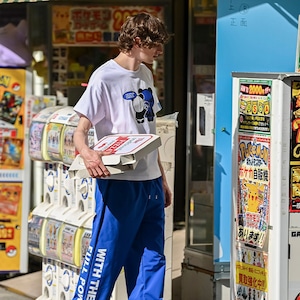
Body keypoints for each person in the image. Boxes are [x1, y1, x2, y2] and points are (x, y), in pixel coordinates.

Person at [72, 12, 172, 300]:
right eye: (155, 44)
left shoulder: (146, 74)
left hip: (150, 183)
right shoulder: (104, 77)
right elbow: (80, 131)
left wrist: (161, 179)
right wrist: (89, 155)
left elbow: (148, 131)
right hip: (119, 183)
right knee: (104, 260)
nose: (159, 51)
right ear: (138, 41)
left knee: (151, 261)